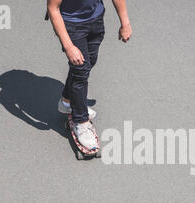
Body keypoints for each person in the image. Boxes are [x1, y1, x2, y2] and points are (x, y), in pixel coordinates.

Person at [47, 0, 132, 150]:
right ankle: (81, 122)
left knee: (88, 63)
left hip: (96, 20)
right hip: (72, 26)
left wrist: (125, 23)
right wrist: (68, 47)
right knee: (80, 70)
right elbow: (53, 9)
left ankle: (67, 102)